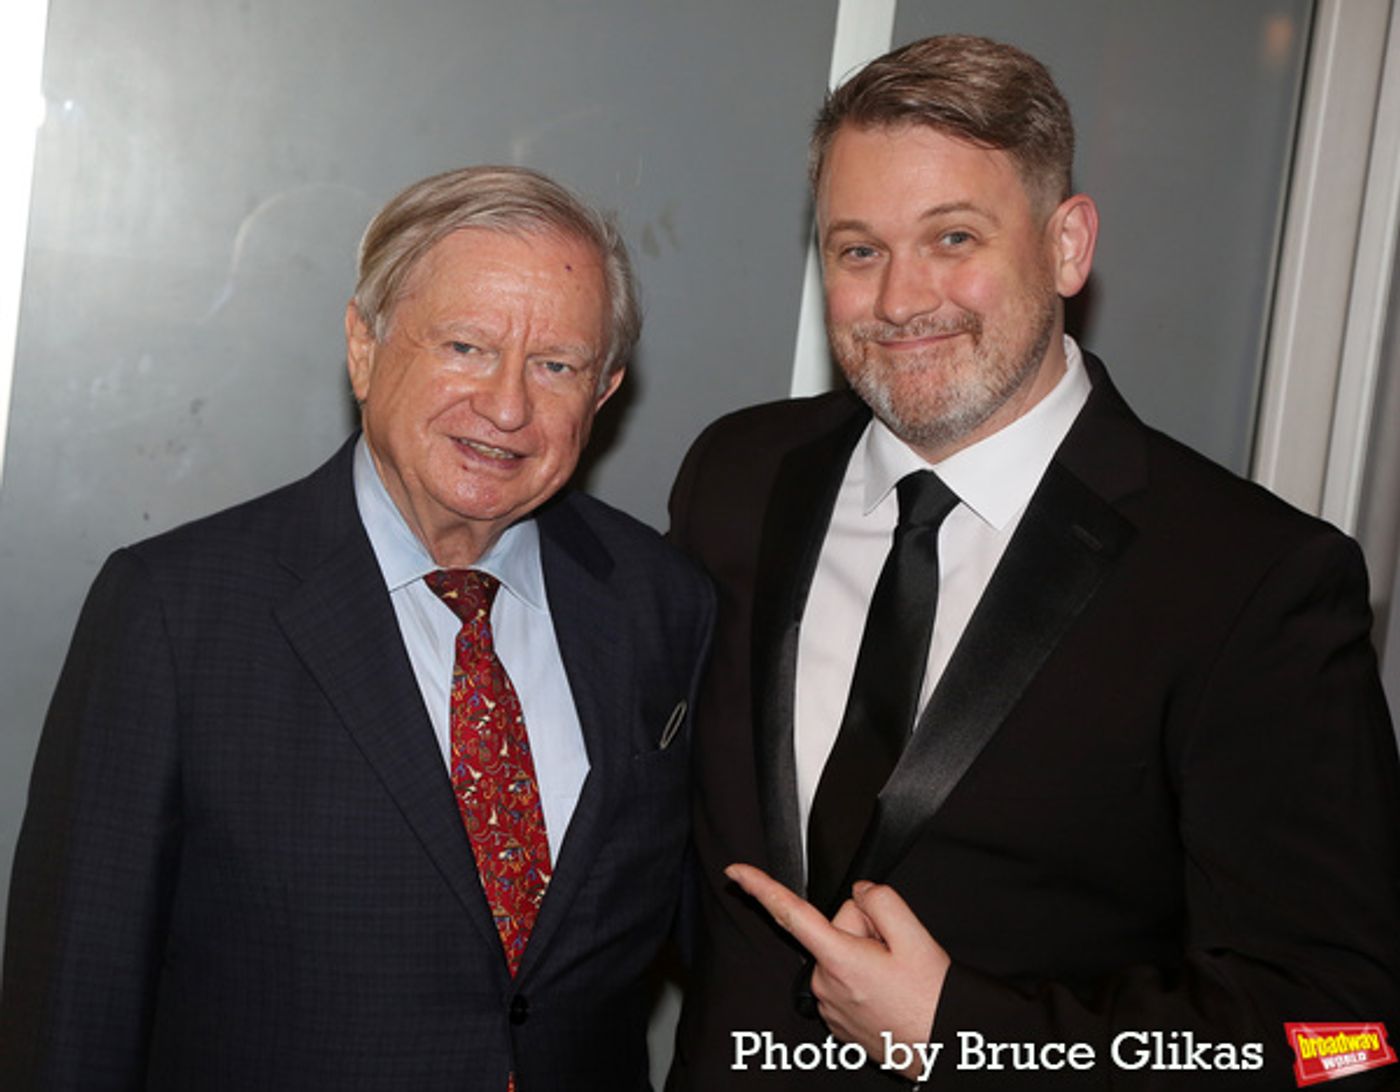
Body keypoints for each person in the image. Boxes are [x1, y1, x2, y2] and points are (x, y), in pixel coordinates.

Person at [667, 34, 1400, 1090]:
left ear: (1065, 246)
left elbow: (1342, 1035)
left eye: (952, 236)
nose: (899, 300)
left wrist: (966, 1033)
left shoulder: (1248, 582)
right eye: (856, 249)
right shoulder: (735, 477)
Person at [1, 165, 713, 1091]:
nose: (507, 406)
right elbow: (73, 1009)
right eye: (465, 346)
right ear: (364, 348)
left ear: (605, 389)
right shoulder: (177, 614)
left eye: (556, 366)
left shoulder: (661, 603)